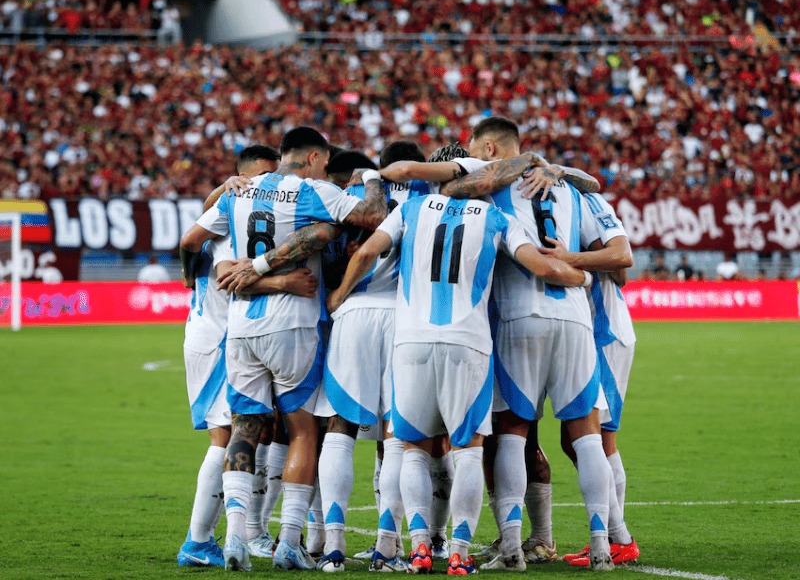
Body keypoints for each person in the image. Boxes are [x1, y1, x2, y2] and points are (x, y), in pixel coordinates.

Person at [326, 191, 588, 575]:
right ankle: (460, 554)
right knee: (468, 450)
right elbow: (543, 268)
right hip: (469, 343)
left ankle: (417, 548)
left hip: (411, 340)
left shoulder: (413, 209)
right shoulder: (498, 217)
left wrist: (338, 295)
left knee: (413, 449)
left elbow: (366, 253)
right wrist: (581, 274)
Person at [179, 127, 387, 572]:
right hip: (293, 323)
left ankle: (235, 538)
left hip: (239, 327)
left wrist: (189, 272)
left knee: (244, 428)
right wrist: (371, 175)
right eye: (326, 162)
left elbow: (193, 238)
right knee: (303, 430)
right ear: (314, 157)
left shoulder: (241, 191)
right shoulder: (315, 190)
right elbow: (372, 216)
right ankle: (290, 541)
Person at [429, 116, 617, 571]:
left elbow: (449, 194)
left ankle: (512, 548)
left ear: (489, 150)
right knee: (586, 435)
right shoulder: (574, 190)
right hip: (574, 316)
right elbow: (613, 238)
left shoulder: (488, 186)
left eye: (474, 150)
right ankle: (602, 546)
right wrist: (557, 169)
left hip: (518, 315)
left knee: (512, 433)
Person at [176, 147, 307, 568]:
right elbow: (231, 278)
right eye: (269, 176)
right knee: (227, 437)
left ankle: (240, 531)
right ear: (249, 178)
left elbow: (191, 238)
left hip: (206, 333)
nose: (276, 185)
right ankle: (201, 541)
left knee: (252, 431)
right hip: (220, 338)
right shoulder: (234, 225)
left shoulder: (219, 216)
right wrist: (287, 281)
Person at [313, 141, 433, 572]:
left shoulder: (353, 199)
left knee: (339, 427)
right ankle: (386, 544)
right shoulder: (426, 202)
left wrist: (339, 296)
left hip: (354, 315)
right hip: (403, 318)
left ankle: (333, 545)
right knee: (394, 432)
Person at [537, 191, 640, 566]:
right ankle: (616, 536)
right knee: (574, 438)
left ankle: (619, 539)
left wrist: (570, 258)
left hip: (603, 331)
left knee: (598, 436)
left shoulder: (586, 201)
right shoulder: (558, 202)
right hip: (584, 332)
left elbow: (623, 261)